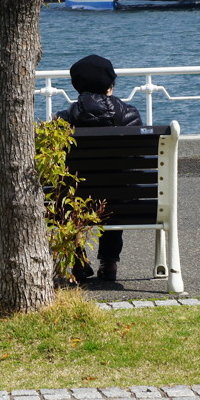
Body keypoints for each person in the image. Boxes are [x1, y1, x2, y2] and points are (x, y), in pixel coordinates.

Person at [56, 54, 142, 282]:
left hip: (75, 206)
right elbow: (135, 165)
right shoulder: (130, 116)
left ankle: (78, 260)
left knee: (66, 193)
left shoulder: (63, 120)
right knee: (119, 187)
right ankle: (109, 261)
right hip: (123, 204)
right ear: (110, 85)